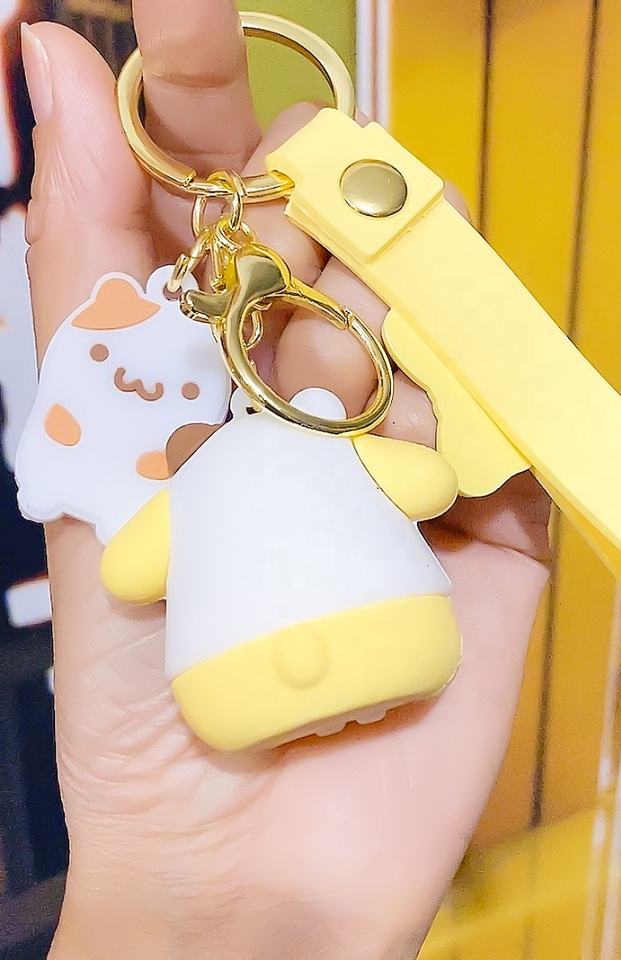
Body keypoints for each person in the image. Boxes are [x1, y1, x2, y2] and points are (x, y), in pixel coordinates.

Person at [19, 1, 551, 956]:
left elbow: (135, 565)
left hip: (257, 670)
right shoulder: (309, 450)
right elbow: (425, 483)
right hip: (355, 639)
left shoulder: (234, 474)